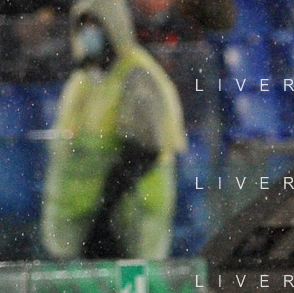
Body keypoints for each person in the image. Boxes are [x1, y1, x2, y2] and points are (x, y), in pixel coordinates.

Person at [41, 0, 186, 260]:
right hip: (83, 219)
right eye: (83, 27)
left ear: (113, 25)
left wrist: (105, 212)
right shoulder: (84, 78)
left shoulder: (136, 75)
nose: (89, 34)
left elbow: (145, 150)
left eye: (96, 25)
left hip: (130, 217)